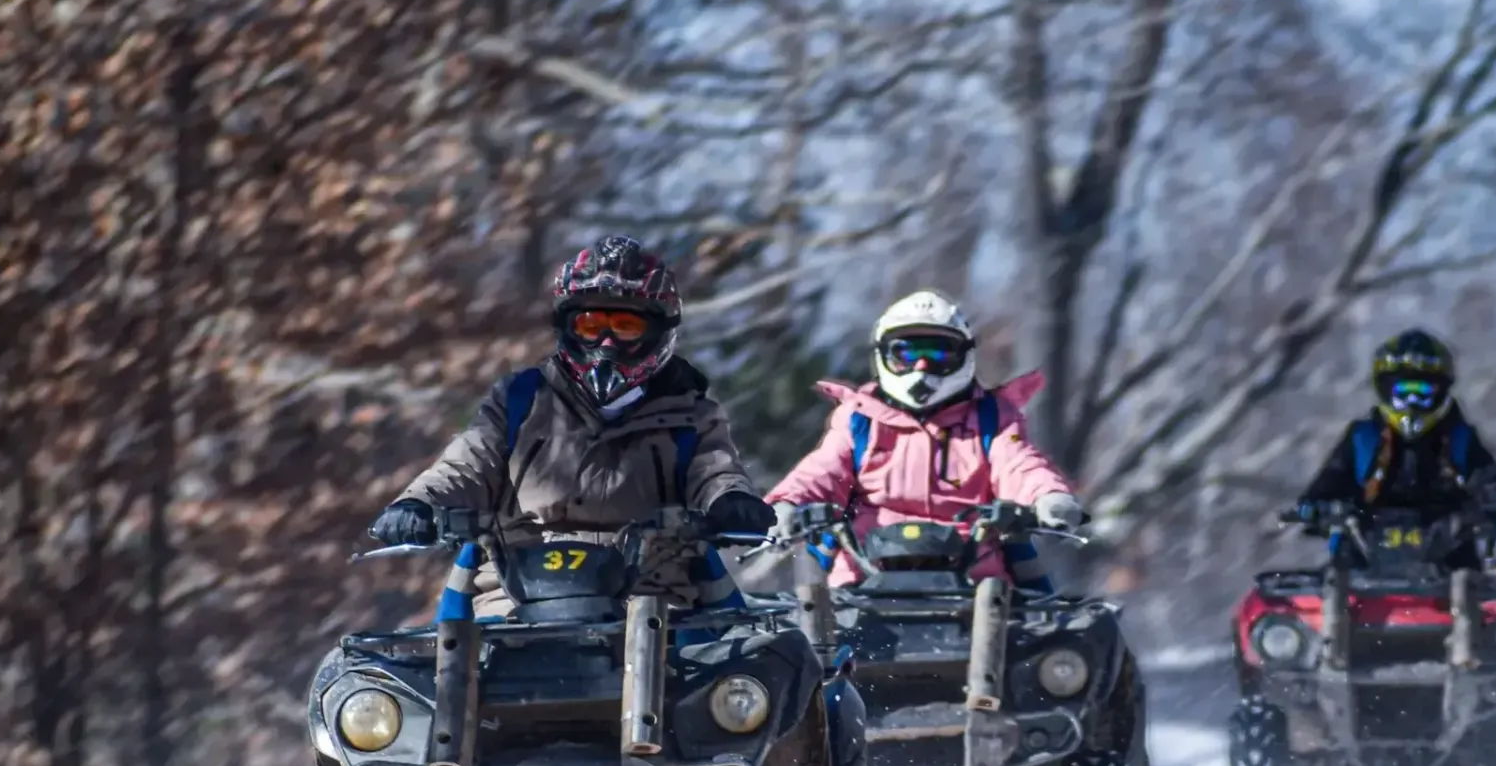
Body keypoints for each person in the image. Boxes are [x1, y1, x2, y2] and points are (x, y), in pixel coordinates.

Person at [368, 235, 774, 609]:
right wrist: (418, 504)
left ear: (659, 332)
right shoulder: (521, 400)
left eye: (626, 327)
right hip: (515, 600)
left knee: (753, 668)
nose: (607, 344)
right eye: (591, 326)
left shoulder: (690, 414)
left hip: (649, 601)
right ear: (568, 328)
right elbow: (465, 464)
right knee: (412, 676)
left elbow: (716, 470)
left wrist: (731, 503)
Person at [766, 289, 1085, 587]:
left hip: (974, 580)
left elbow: (1020, 464)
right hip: (863, 579)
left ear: (964, 356)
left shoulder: (992, 418)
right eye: (905, 353)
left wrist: (1048, 497)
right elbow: (823, 470)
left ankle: (1034, 643)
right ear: (883, 355)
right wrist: (786, 504)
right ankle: (818, 643)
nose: (921, 367)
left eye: (937, 354)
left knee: (1054, 630)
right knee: (796, 625)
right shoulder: (859, 419)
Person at [1291, 329, 1496, 554]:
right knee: (1335, 551)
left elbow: (1487, 477)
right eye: (1403, 393)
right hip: (1363, 554)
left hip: (1449, 557)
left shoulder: (1459, 438)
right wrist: (1315, 505)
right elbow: (1332, 476)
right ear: (1385, 390)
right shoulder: (1363, 437)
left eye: (1422, 393)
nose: (1412, 404)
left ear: (1441, 392)